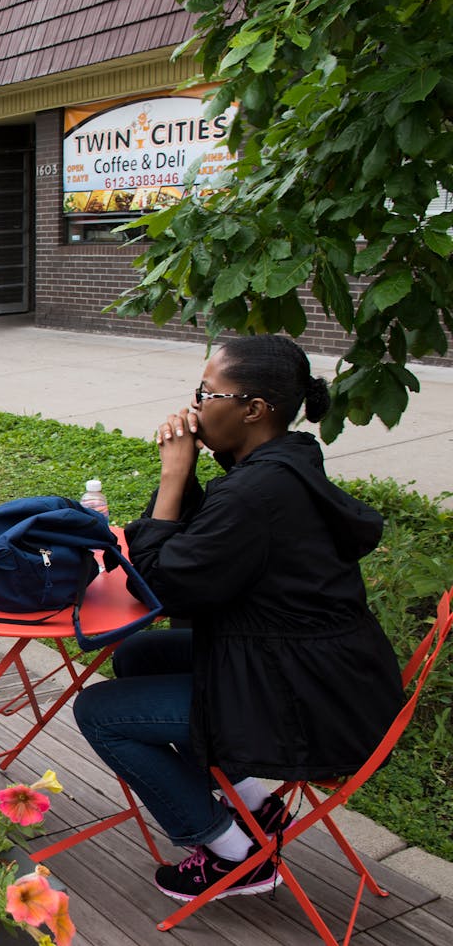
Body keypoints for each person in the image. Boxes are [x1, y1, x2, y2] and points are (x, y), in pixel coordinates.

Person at [73, 334, 404, 903]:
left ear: (252, 410)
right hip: (323, 668)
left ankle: (234, 855)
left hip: (307, 699)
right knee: (137, 655)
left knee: (98, 712)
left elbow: (164, 588)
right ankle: (255, 803)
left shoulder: (257, 493)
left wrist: (175, 475)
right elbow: (201, 552)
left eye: (207, 392)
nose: (195, 406)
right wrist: (194, 470)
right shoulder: (282, 465)